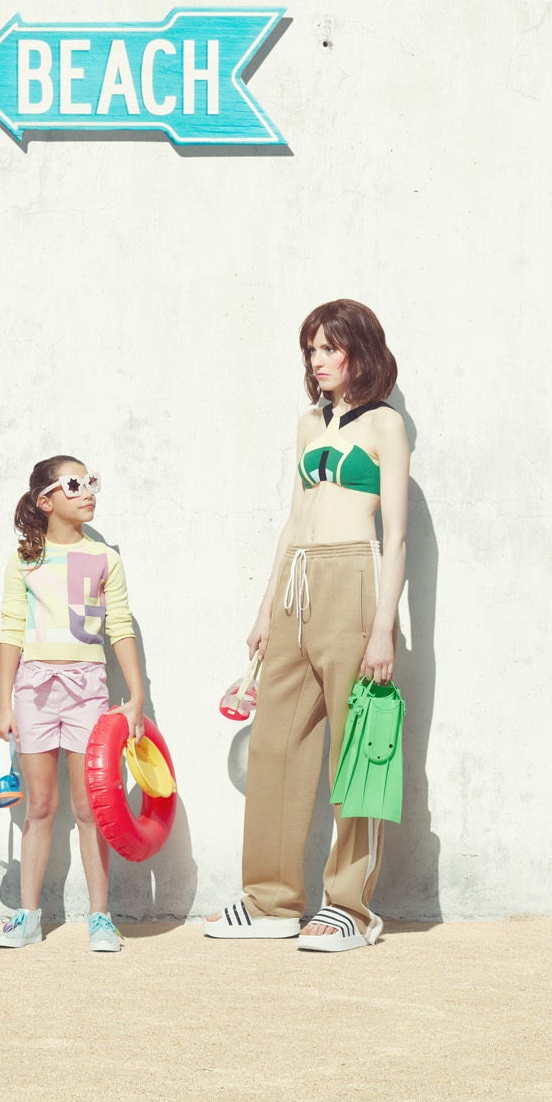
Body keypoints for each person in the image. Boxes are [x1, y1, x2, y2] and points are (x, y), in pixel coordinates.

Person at [206, 299, 410, 952]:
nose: (318, 360)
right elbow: (294, 521)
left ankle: (351, 905)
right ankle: (271, 899)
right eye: (311, 349)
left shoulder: (386, 426)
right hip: (296, 584)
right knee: (274, 742)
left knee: (356, 748)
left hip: (354, 582)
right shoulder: (306, 425)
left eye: (330, 347)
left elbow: (397, 534)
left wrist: (384, 625)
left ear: (361, 351)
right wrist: (266, 609)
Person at [0, 457, 149, 953]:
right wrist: (3, 705)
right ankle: (28, 916)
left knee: (90, 809)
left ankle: (100, 917)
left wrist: (136, 698)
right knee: (39, 807)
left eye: (92, 483)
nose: (89, 493)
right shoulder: (24, 562)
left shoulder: (105, 559)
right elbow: (10, 631)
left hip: (88, 691)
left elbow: (120, 626)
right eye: (75, 484)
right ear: (46, 500)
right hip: (34, 691)